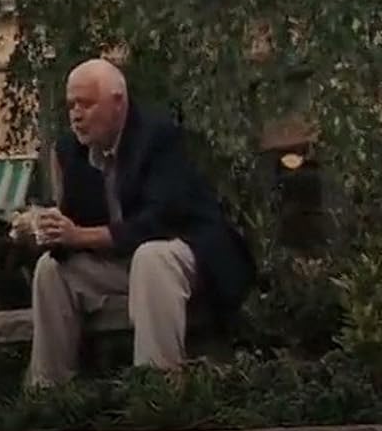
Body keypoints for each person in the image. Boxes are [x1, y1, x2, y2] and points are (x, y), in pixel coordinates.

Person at [18, 57, 256, 387]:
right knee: (51, 269)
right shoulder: (70, 150)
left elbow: (160, 221)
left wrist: (79, 235)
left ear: (118, 102)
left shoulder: (160, 138)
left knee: (150, 257)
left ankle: (156, 389)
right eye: (71, 105)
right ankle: (48, 392)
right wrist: (44, 231)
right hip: (122, 263)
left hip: (186, 255)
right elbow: (74, 227)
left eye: (86, 104)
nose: (76, 115)